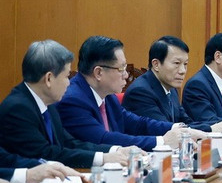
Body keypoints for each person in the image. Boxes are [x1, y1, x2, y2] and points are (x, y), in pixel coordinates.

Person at [58, 36, 204, 152]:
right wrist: (162, 141)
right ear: (99, 73)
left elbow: (137, 124)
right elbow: (102, 139)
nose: (126, 75)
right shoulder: (73, 100)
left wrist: (177, 129)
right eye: (121, 69)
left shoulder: (107, 95)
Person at [0, 40, 130, 168]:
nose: (69, 83)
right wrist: (102, 158)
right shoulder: (18, 109)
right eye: (66, 76)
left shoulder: (48, 104)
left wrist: (114, 151)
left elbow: (69, 143)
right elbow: (46, 154)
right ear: (49, 78)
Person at [123, 36, 222, 133]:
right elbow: (166, 130)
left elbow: (186, 122)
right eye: (177, 63)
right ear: (156, 64)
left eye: (185, 64)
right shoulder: (140, 92)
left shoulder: (171, 89)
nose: (182, 70)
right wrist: (212, 129)